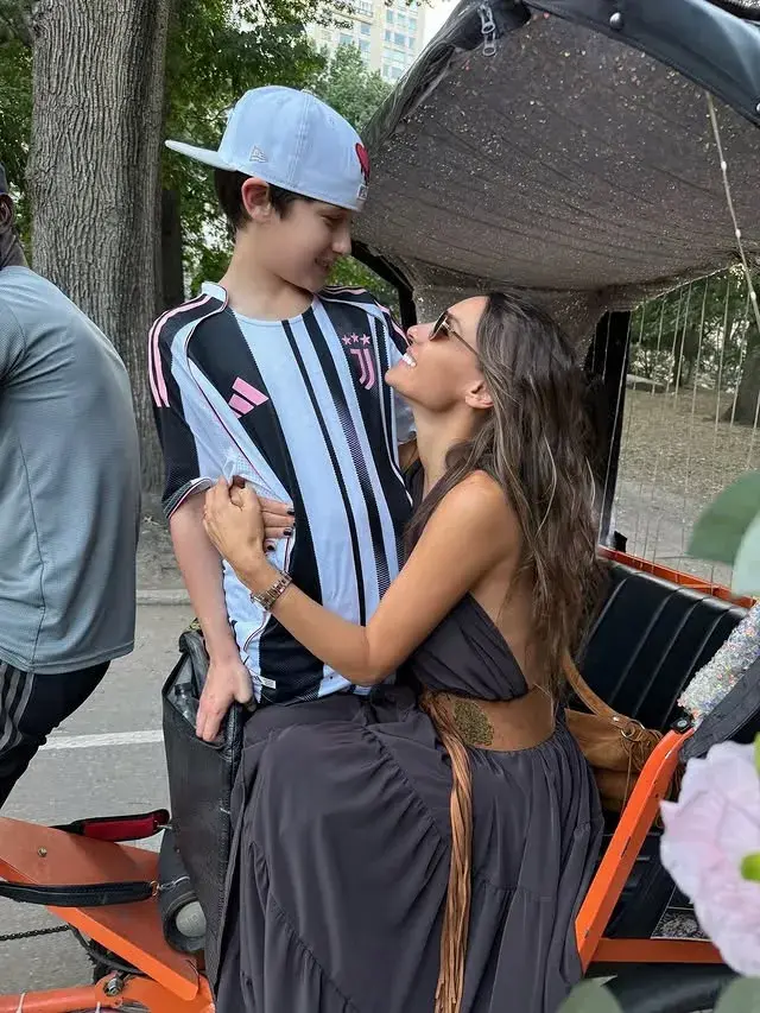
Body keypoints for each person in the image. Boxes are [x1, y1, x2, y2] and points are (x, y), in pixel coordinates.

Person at [204, 292, 604, 1013]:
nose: (414, 330)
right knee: (281, 738)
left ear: (481, 389)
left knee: (300, 781)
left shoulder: (481, 499)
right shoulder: (418, 469)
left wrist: (250, 564)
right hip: (445, 736)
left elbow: (367, 656)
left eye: (444, 330)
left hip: (500, 788)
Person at [151, 86, 415, 973]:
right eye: (330, 221)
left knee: (388, 882)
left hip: (404, 658)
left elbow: (423, 448)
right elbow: (188, 504)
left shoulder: (368, 325)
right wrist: (223, 654)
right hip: (288, 681)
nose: (344, 245)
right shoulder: (187, 341)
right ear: (258, 199)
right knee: (298, 903)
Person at [0, 162, 141, 808]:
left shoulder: (9, 310)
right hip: (62, 625)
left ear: (3, 215)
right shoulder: (38, 303)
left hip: (34, 637)